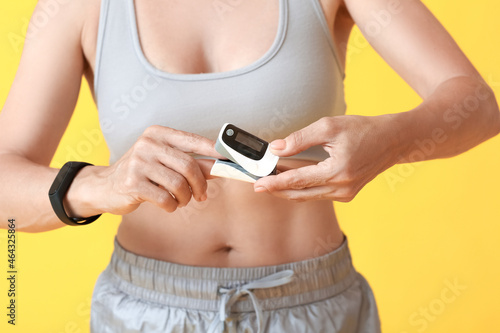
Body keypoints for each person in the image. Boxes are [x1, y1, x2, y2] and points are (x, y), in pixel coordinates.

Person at [0, 0, 499, 332]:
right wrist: (93, 185)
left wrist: (391, 139)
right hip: (144, 313)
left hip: (312, 307)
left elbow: (477, 104)